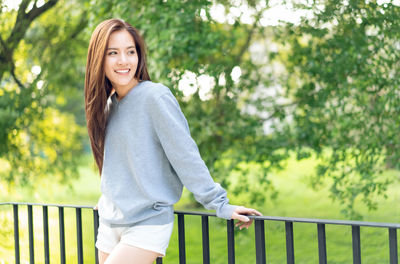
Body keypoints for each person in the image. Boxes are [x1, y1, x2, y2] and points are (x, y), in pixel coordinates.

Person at [84, 18, 262, 264]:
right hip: (110, 221)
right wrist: (111, 196)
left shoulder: (155, 97)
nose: (123, 60)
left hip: (147, 222)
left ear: (139, 56)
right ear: (98, 59)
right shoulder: (107, 106)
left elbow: (185, 156)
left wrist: (220, 204)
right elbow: (118, 163)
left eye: (130, 51)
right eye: (112, 53)